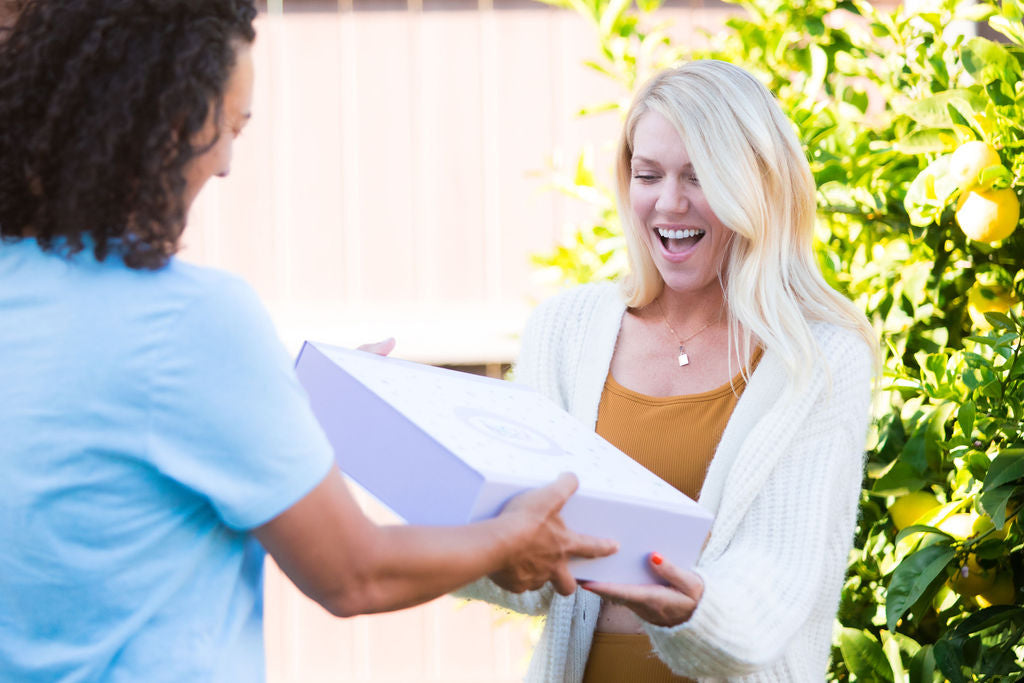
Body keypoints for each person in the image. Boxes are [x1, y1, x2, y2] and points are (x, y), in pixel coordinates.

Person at [0, 2, 617, 681]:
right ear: (167, 125)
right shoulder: (191, 318)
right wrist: (508, 538)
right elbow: (353, 574)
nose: (227, 163)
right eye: (229, 126)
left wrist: (278, 414)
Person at [457, 60, 876, 681]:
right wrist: (426, 491)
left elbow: (777, 584)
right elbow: (529, 575)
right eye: (648, 174)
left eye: (700, 177)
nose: (669, 202)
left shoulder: (818, 357)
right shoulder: (564, 330)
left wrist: (686, 606)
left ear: (757, 186)